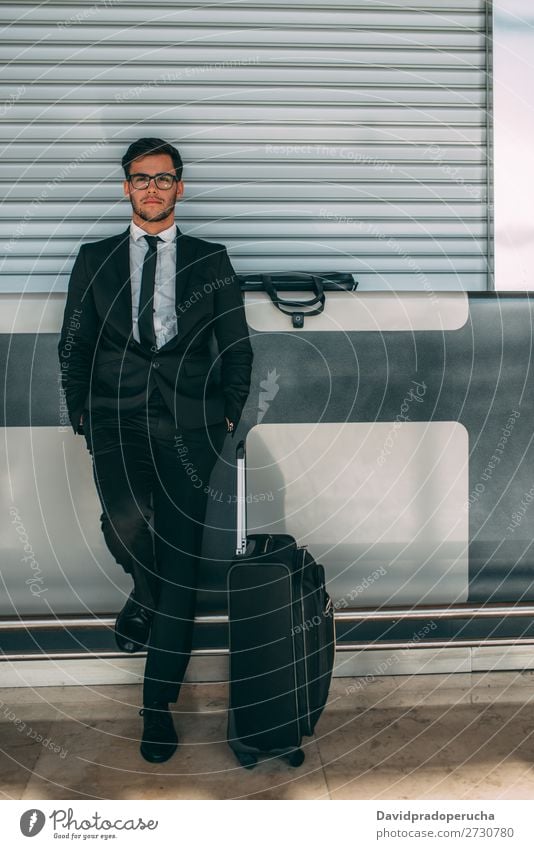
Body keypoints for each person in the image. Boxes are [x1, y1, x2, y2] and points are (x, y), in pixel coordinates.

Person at [57, 137, 253, 763]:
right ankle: (146, 593)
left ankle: (155, 707)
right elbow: (75, 344)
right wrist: (82, 414)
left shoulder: (211, 259)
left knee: (182, 560)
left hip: (190, 427)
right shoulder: (95, 259)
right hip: (114, 421)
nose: (151, 188)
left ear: (180, 188)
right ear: (125, 187)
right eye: (140, 178)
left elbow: (237, 348)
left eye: (162, 178)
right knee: (125, 522)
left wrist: (224, 415)